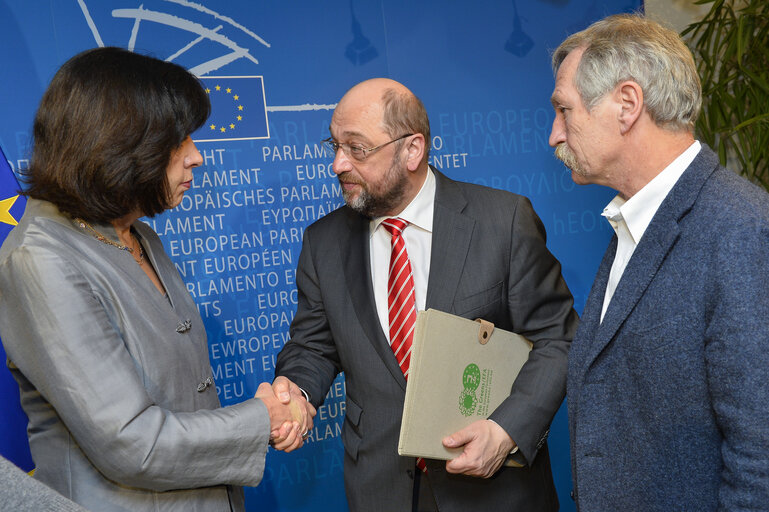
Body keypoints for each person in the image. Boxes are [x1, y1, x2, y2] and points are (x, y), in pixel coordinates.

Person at [0, 47, 313, 512]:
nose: (196, 156)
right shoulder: (40, 259)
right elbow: (131, 442)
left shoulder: (139, 234)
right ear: (121, 143)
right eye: (178, 140)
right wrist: (261, 419)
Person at [273, 77, 578, 511]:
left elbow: (558, 339)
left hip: (495, 491)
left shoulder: (503, 222)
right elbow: (313, 346)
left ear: (412, 150)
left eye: (357, 148)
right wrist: (296, 393)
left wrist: (505, 431)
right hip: (381, 489)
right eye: (335, 146)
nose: (338, 164)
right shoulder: (323, 243)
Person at [549, 14, 769, 511]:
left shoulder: (742, 232)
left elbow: (760, 459)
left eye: (564, 109)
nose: (554, 135)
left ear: (627, 104)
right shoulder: (635, 220)